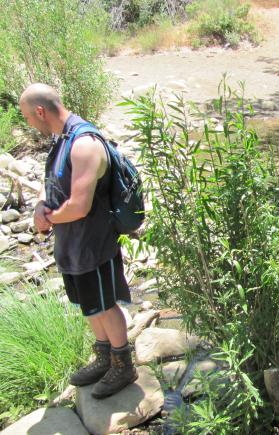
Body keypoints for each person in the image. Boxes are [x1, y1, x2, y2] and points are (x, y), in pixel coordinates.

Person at [19, 83, 137, 399]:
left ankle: (123, 364)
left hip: (93, 244)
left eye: (28, 117)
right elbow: (53, 182)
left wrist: (47, 218)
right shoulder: (62, 138)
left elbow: (79, 206)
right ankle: (103, 358)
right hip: (72, 244)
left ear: (40, 112)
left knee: (104, 304)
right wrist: (41, 204)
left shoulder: (85, 144)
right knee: (88, 304)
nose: (28, 123)